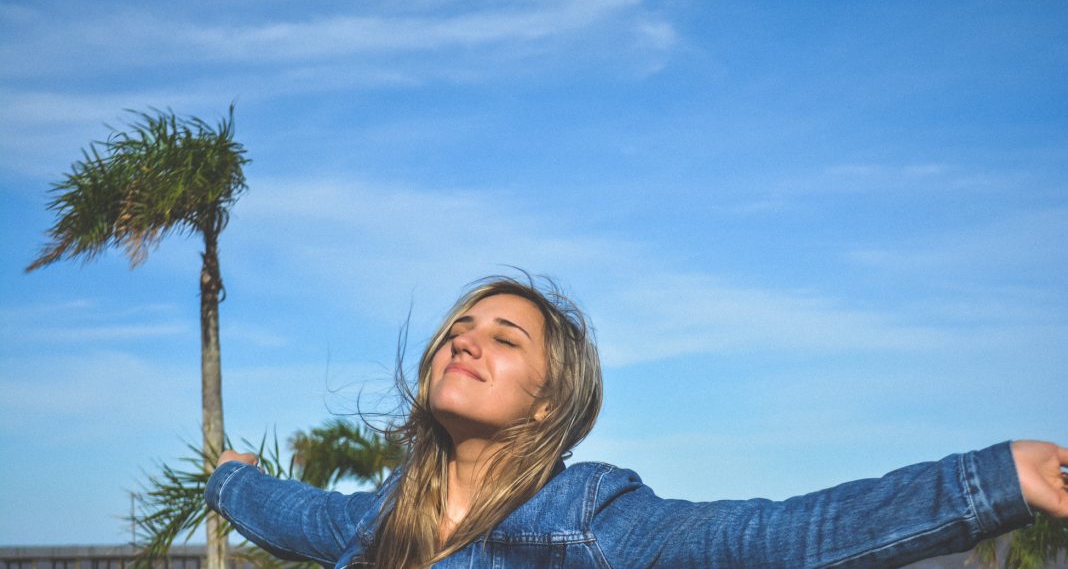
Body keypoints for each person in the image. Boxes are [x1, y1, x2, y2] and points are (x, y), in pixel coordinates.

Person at [207, 276, 1068, 568]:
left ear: (548, 402)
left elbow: (772, 538)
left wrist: (995, 480)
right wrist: (231, 476)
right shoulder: (377, 517)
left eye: (505, 338)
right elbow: (288, 513)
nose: (467, 342)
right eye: (459, 329)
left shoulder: (589, 519)